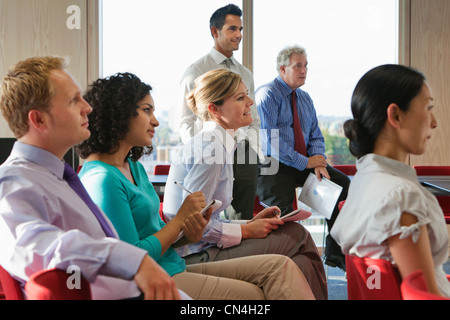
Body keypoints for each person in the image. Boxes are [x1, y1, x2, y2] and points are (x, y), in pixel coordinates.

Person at [76, 72, 315, 300]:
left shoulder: (133, 167)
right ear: (119, 115)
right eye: (146, 111)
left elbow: (166, 232)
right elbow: (131, 260)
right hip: (158, 276)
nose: (156, 121)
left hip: (173, 263)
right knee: (262, 288)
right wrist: (183, 222)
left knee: (282, 266)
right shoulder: (103, 180)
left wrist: (189, 230)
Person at [0, 56, 185, 300]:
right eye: (73, 100)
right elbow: (37, 246)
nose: (87, 107)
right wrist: (134, 261)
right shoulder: (13, 181)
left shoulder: (57, 176)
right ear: (39, 119)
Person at [164, 68, 328, 300]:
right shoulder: (211, 151)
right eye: (240, 98)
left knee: (298, 251)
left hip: (202, 247)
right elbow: (192, 227)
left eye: (247, 94)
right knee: (297, 237)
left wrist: (249, 222)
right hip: (195, 254)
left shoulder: (219, 143)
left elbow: (209, 219)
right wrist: (245, 230)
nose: (251, 102)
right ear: (214, 109)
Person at [331, 64, 450, 297]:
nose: (434, 122)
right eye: (428, 107)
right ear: (395, 115)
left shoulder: (363, 182)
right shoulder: (401, 196)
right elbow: (423, 294)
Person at [256, 45, 350, 270]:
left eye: (306, 65)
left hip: (303, 161)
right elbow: (273, 142)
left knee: (342, 184)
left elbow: (316, 135)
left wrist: (317, 160)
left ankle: (335, 253)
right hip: (273, 163)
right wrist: (306, 162)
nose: (304, 70)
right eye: (298, 65)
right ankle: (281, 263)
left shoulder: (305, 98)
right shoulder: (267, 95)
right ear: (282, 68)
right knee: (282, 216)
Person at [179, 4, 260, 220]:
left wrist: (251, 149)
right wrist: (202, 152)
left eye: (241, 29)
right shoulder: (195, 72)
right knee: (206, 217)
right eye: (232, 29)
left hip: (241, 152)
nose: (239, 35)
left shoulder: (244, 73)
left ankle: (241, 252)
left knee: (241, 219)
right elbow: (186, 122)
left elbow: (254, 119)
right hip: (210, 151)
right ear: (215, 32)